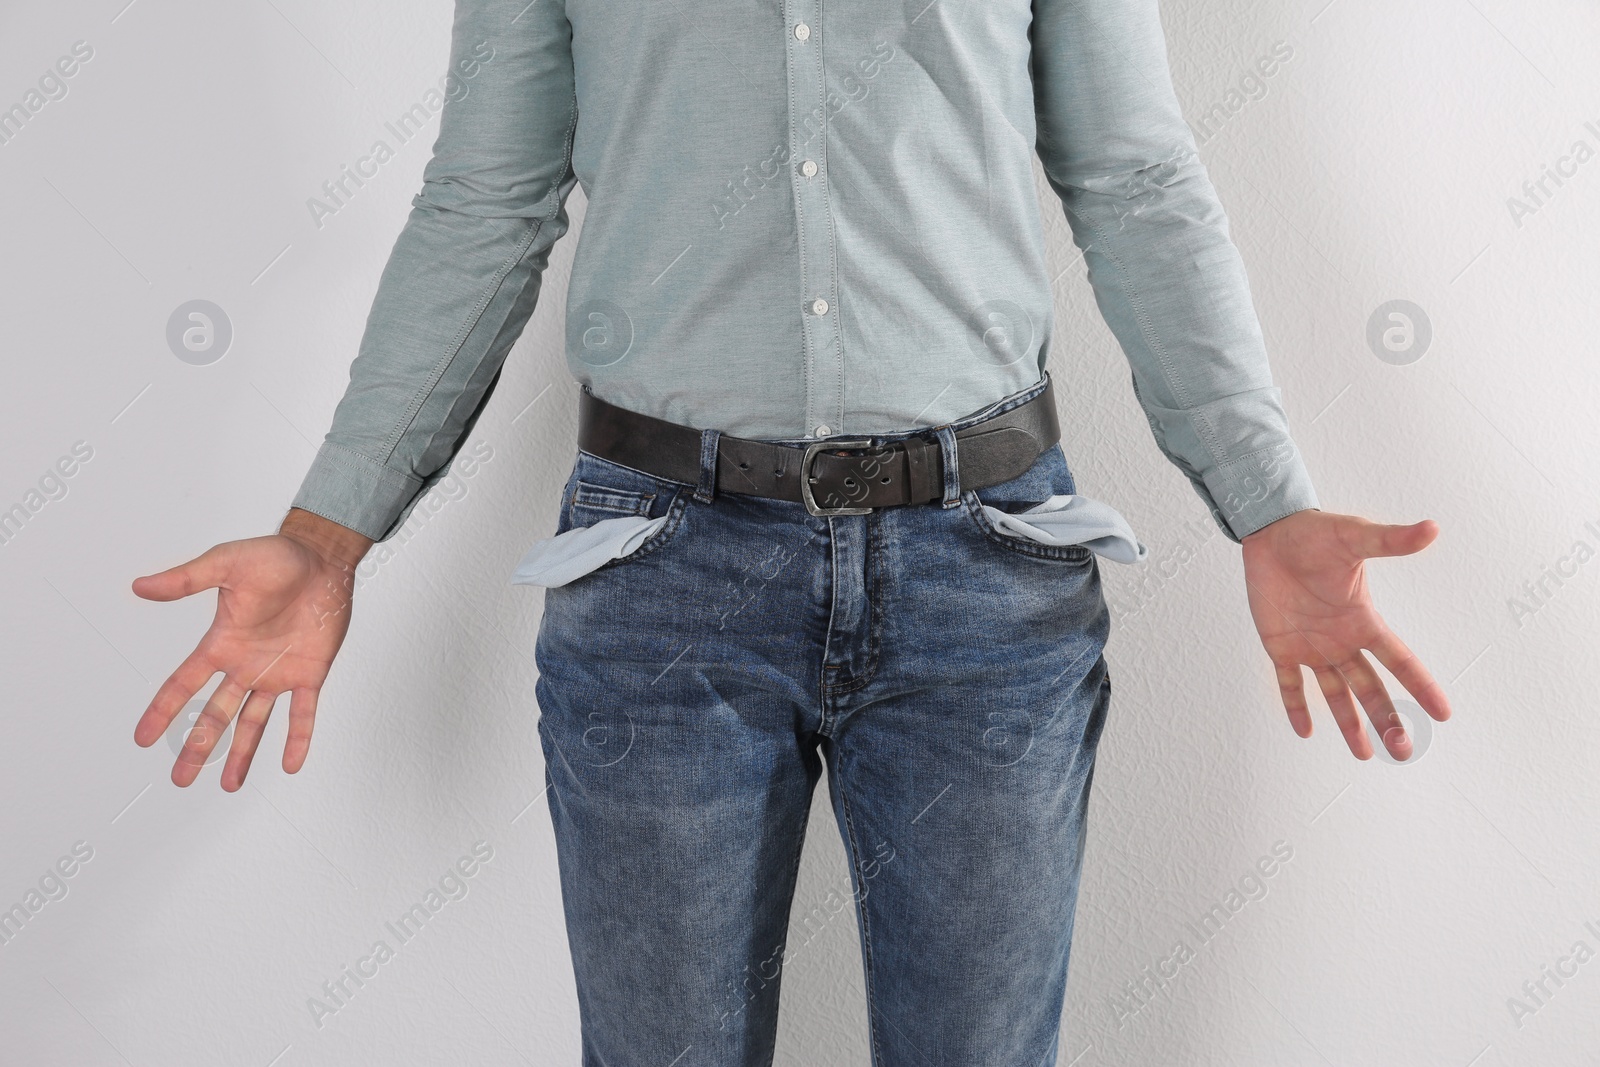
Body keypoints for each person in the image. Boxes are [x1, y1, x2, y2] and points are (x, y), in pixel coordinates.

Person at [131, 0, 1452, 1062]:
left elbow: (1137, 180)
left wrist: (1265, 503)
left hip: (988, 575)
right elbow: (485, 203)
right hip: (657, 576)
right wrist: (327, 532)